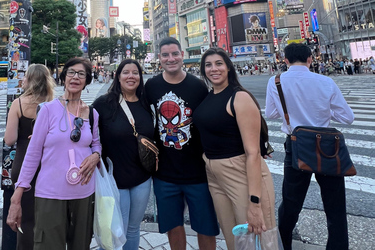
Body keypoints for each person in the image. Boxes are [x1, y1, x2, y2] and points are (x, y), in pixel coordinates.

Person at [265, 43, 354, 250]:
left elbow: (271, 114)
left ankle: (283, 245)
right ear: (310, 59)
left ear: (285, 60)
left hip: (296, 146)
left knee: (290, 202)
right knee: (335, 206)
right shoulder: (325, 81)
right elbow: (348, 117)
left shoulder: (276, 81)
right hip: (327, 148)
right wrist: (324, 112)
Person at [7, 58, 101, 249]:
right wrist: (17, 196)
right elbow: (33, 153)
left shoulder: (92, 113)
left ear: (87, 80)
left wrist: (96, 155)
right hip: (50, 193)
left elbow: (96, 144)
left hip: (83, 192)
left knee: (80, 245)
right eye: (71, 72)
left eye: (81, 74)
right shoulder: (47, 110)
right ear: (63, 77)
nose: (75, 77)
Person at [193, 48, 276, 250]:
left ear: (228, 67)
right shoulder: (209, 97)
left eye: (219, 63)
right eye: (208, 65)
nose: (214, 69)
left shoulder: (239, 97)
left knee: (257, 238)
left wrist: (255, 202)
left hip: (240, 171)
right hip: (213, 173)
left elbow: (253, 152)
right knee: (235, 239)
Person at [145, 38, 219, 250]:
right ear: (159, 58)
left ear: (182, 54)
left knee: (205, 226)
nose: (171, 59)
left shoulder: (198, 86)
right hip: (165, 172)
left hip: (198, 171)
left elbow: (213, 119)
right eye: (165, 55)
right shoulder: (152, 86)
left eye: (175, 54)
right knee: (172, 224)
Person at [92, 59, 154, 250]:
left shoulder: (146, 103)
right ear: (118, 77)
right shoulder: (104, 104)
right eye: (126, 72)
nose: (131, 76)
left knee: (133, 229)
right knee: (115, 231)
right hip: (113, 179)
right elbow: (87, 131)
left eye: (135, 72)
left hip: (142, 178)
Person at [4, 64, 55, 250]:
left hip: (23, 162)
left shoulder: (18, 104)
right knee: (48, 216)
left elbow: (9, 140)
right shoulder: (53, 102)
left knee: (25, 220)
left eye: (25, 77)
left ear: (31, 80)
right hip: (48, 164)